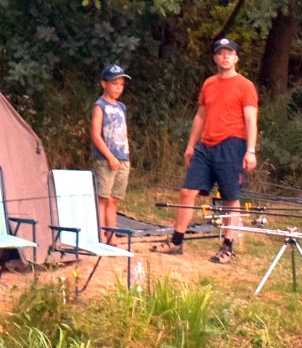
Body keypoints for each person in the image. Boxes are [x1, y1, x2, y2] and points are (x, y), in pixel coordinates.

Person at [152, 38, 258, 264]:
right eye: (221, 53)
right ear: (215, 58)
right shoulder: (208, 83)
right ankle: (176, 241)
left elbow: (251, 119)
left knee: (230, 197)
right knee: (187, 192)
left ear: (236, 58)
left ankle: (228, 247)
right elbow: (200, 116)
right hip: (205, 146)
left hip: (232, 145)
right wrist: (191, 145)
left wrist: (251, 150)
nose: (225, 56)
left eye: (230, 53)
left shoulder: (245, 85)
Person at [90, 64, 132, 232]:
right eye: (115, 84)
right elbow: (95, 135)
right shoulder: (99, 106)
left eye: (121, 84)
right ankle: (100, 234)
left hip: (123, 158)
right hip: (105, 159)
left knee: (114, 199)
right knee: (103, 198)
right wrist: (110, 157)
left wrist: (125, 156)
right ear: (104, 84)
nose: (118, 88)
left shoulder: (121, 107)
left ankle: (111, 234)